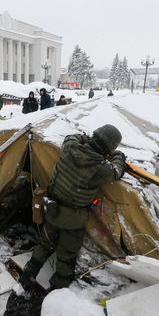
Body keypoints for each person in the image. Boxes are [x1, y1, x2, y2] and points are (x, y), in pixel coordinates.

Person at [20, 125, 126, 293]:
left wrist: (85, 138)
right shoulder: (99, 169)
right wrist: (118, 156)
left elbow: (71, 137)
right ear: (108, 149)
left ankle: (27, 277)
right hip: (73, 219)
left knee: (45, 245)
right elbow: (117, 171)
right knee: (66, 257)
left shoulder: (69, 148)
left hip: (52, 208)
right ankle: (56, 292)